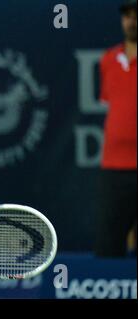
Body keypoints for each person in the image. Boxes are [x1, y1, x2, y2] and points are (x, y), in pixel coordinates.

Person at [95, 0, 137, 257]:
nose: (132, 21)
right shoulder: (108, 60)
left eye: (137, 15)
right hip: (114, 168)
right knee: (109, 241)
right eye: (127, 16)